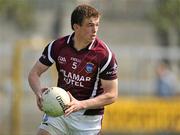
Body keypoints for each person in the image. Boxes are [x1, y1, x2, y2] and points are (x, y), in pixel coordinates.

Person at [28, 4, 118, 135]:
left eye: (97, 25)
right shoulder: (57, 46)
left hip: (88, 121)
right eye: (90, 25)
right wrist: (38, 93)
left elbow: (112, 95)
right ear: (76, 27)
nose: (95, 30)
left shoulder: (104, 55)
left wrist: (80, 104)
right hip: (59, 112)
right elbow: (34, 74)